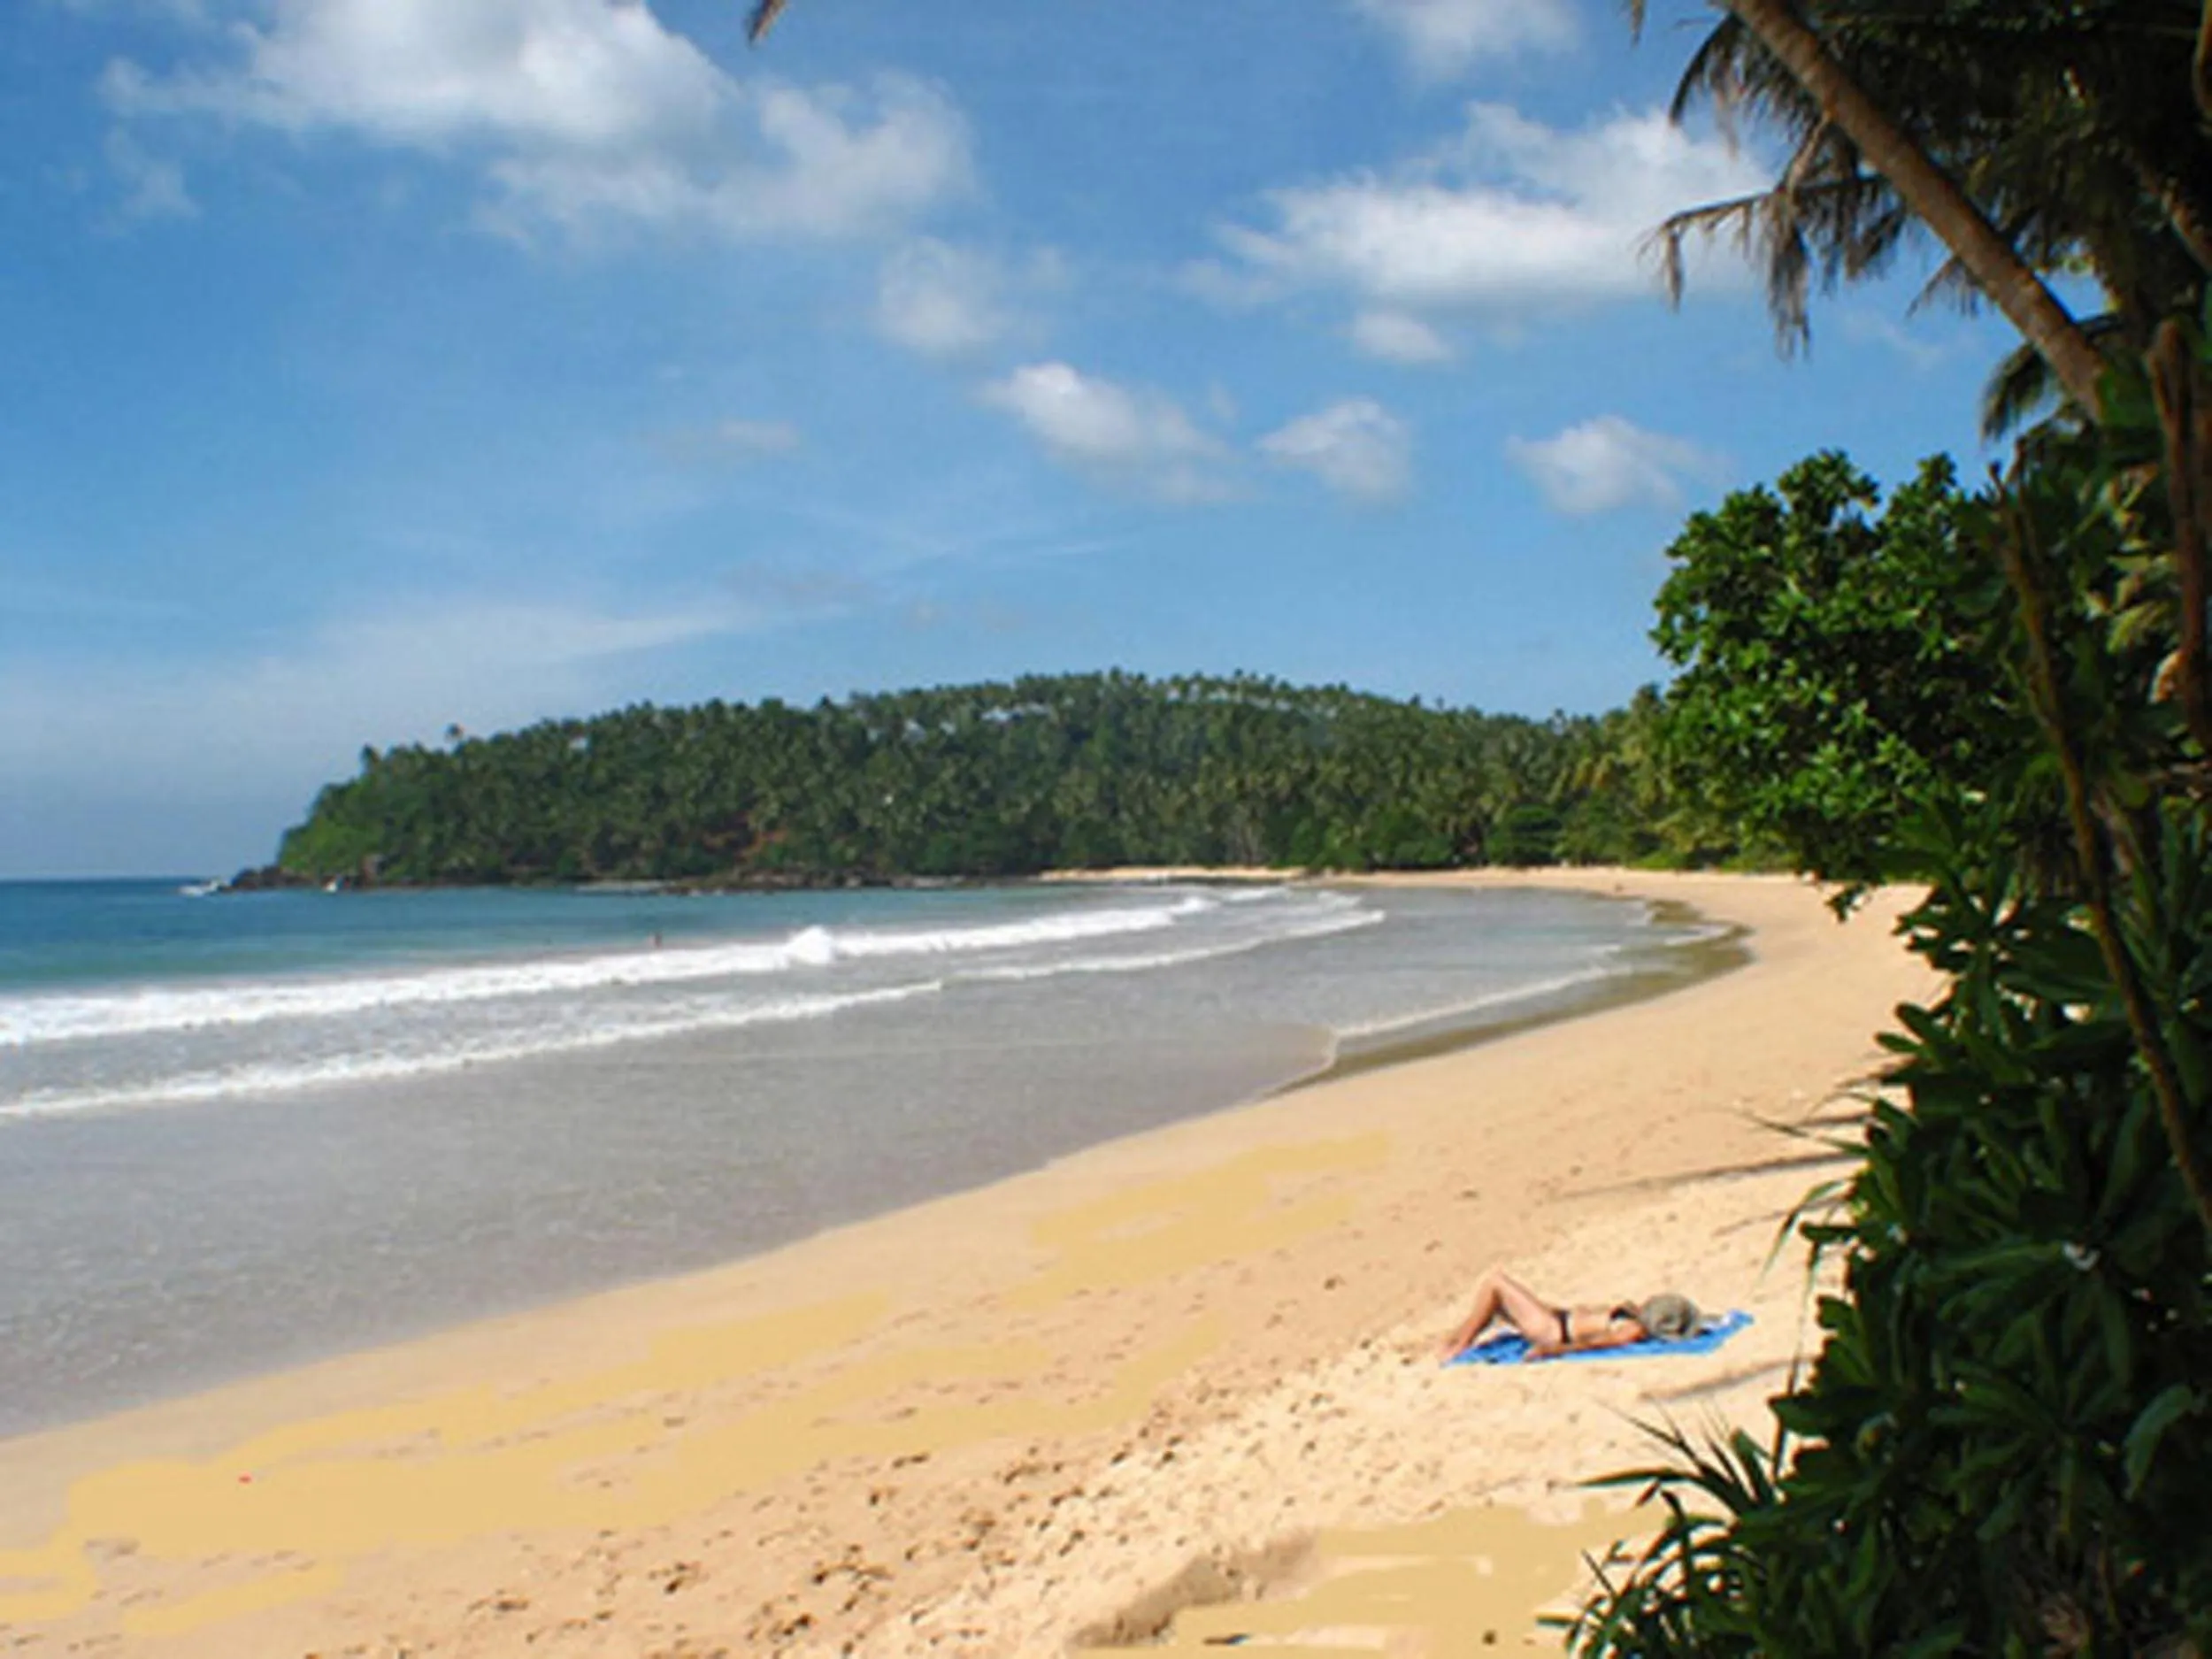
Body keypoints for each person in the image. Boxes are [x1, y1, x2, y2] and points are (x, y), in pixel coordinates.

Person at [1444, 1266, 1700, 1360]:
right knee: (1496, 1303)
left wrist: (1552, 1352)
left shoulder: (1633, 1330)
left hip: (1554, 1332)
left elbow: (1599, 1344)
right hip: (1558, 1321)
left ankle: (1459, 1347)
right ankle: (1452, 1341)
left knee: (1495, 1283)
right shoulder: (1636, 1318)